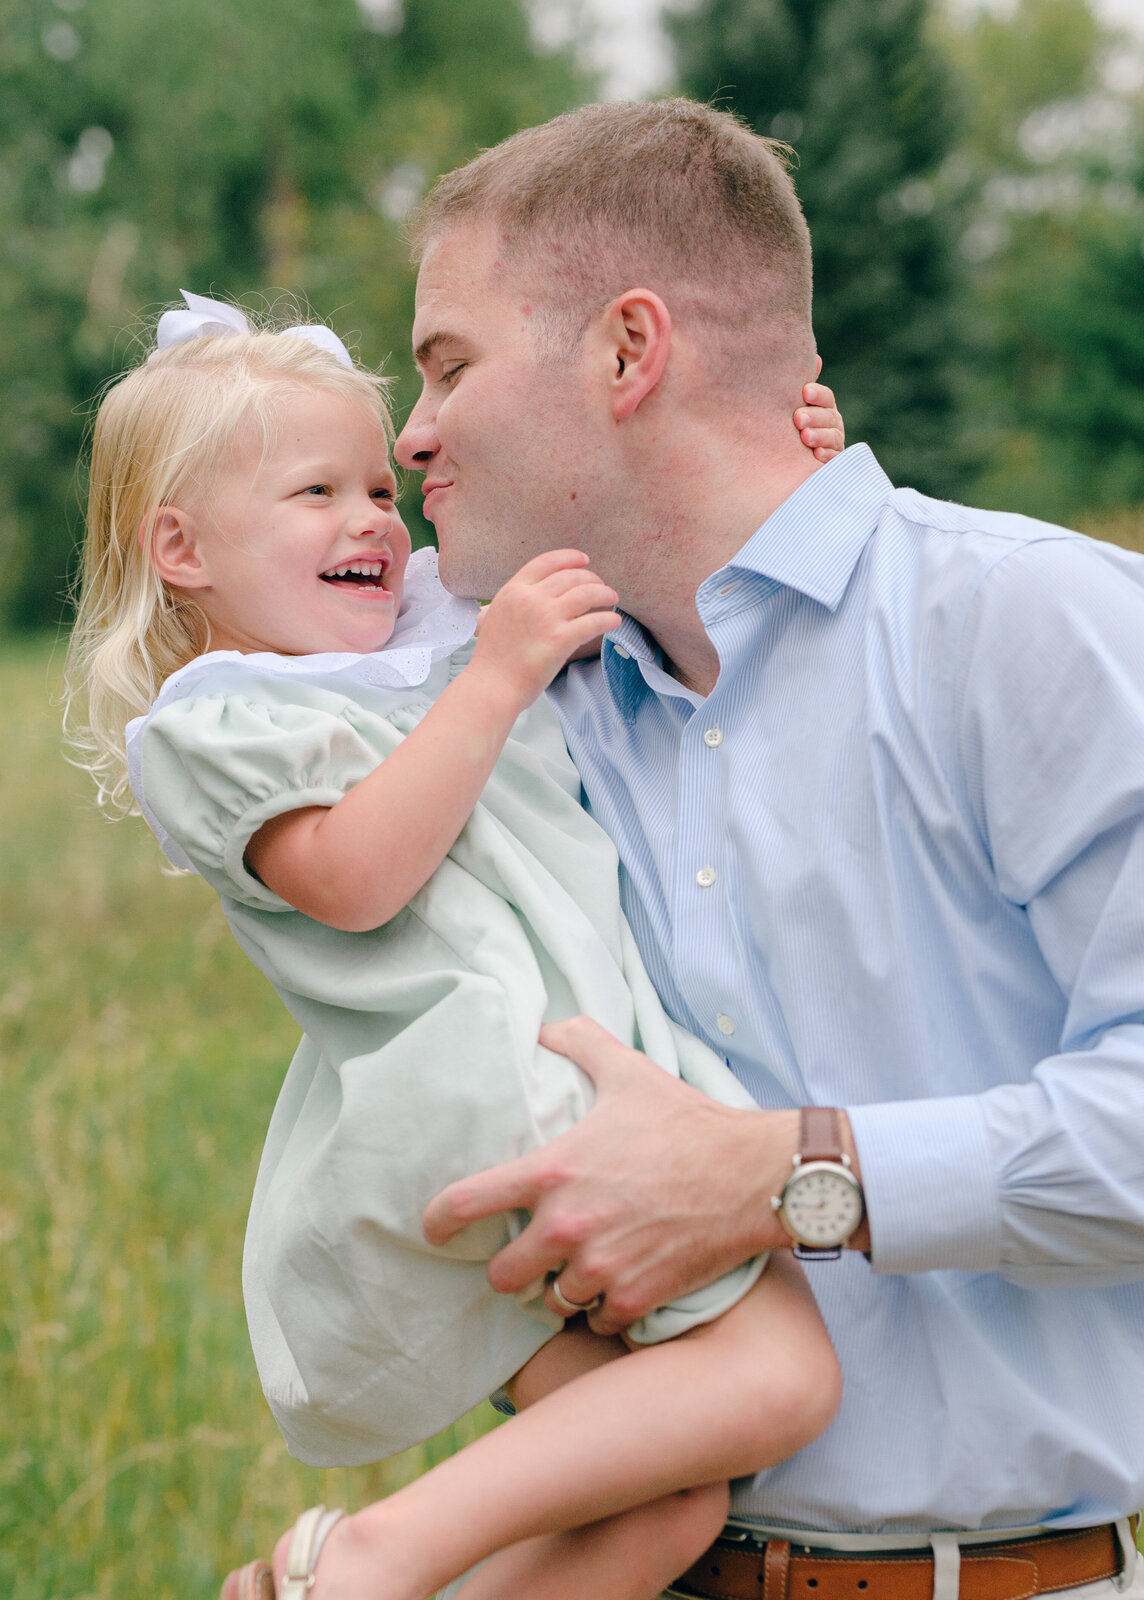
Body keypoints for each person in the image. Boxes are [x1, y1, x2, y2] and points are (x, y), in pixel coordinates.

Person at [260, 97, 1144, 1598]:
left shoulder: (1035, 628)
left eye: (449, 365)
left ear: (627, 351)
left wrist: (784, 1177)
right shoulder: (507, 705)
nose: (409, 437)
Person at [63, 292, 850, 1600]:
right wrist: (491, 681)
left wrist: (781, 459)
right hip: (501, 1096)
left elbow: (629, 529)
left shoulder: (417, 624)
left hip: (532, 1087)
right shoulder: (219, 725)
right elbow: (356, 878)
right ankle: (377, 1549)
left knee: (664, 1508)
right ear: (183, 550)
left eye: (378, 484)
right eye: (315, 491)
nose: (373, 518)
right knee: (778, 1372)